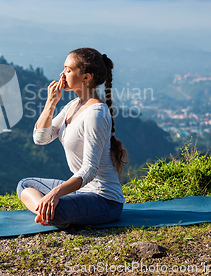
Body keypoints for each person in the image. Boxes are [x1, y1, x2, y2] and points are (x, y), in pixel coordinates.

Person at [16, 48, 128, 229]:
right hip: (81, 191)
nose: (62, 74)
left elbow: (89, 170)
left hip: (104, 200)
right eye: (63, 68)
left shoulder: (95, 114)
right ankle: (46, 213)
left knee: (56, 207)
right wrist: (50, 103)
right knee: (25, 185)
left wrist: (56, 193)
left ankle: (50, 213)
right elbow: (41, 138)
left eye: (68, 70)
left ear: (86, 77)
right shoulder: (72, 106)